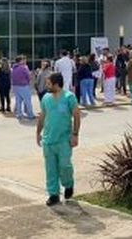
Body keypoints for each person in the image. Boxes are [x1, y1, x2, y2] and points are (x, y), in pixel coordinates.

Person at [36, 72, 81, 206]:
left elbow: (77, 116)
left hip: (64, 140)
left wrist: (75, 134)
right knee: (50, 169)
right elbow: (42, 116)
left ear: (56, 84)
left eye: (49, 83)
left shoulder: (69, 97)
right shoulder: (46, 98)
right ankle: (53, 194)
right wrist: (38, 133)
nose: (47, 86)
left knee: (65, 166)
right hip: (48, 140)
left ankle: (68, 184)